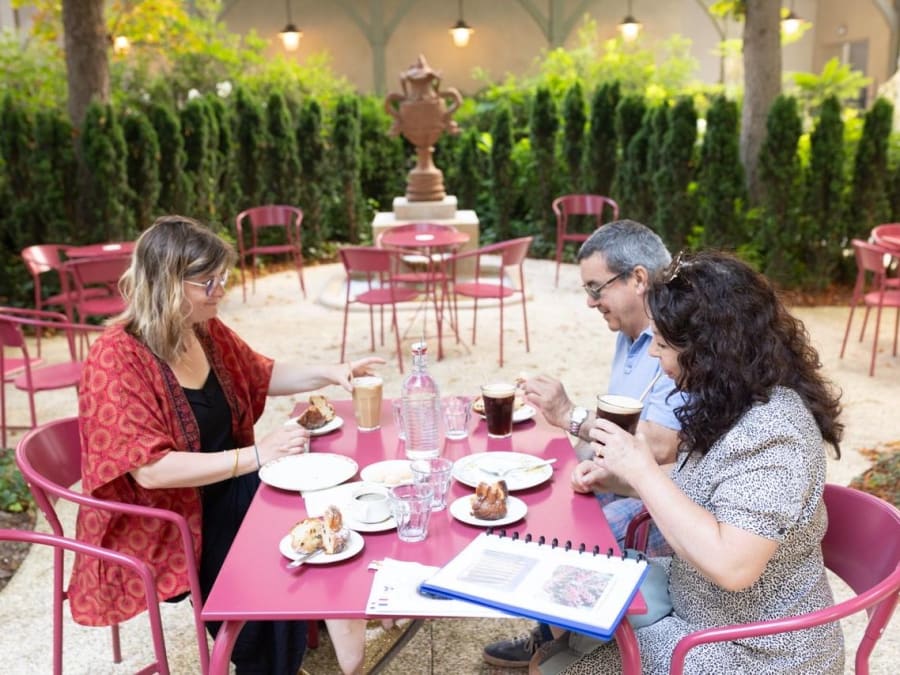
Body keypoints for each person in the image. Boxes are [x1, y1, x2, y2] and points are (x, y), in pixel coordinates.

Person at [68, 216, 383, 674]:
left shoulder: (202, 329)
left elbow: (261, 373)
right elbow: (150, 472)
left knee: (306, 482)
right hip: (165, 517)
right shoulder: (116, 357)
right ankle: (275, 656)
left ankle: (323, 618)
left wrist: (333, 370)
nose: (220, 290)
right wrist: (257, 456)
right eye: (208, 281)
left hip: (222, 489)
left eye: (222, 278)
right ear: (167, 285)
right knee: (276, 518)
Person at [532, 250, 845, 674]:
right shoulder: (732, 400)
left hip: (755, 648)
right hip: (697, 604)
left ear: (710, 351)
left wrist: (641, 469)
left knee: (557, 667)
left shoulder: (775, 434)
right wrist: (623, 478)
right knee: (556, 627)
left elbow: (733, 566)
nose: (652, 357)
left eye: (661, 344)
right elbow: (703, 492)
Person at [484, 219, 686, 669]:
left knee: (548, 537)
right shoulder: (628, 335)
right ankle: (557, 634)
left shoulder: (676, 345)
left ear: (638, 279)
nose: (590, 302)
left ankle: (564, 640)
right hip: (623, 483)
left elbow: (655, 451)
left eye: (597, 288)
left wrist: (569, 416)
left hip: (661, 507)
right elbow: (618, 437)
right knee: (532, 496)